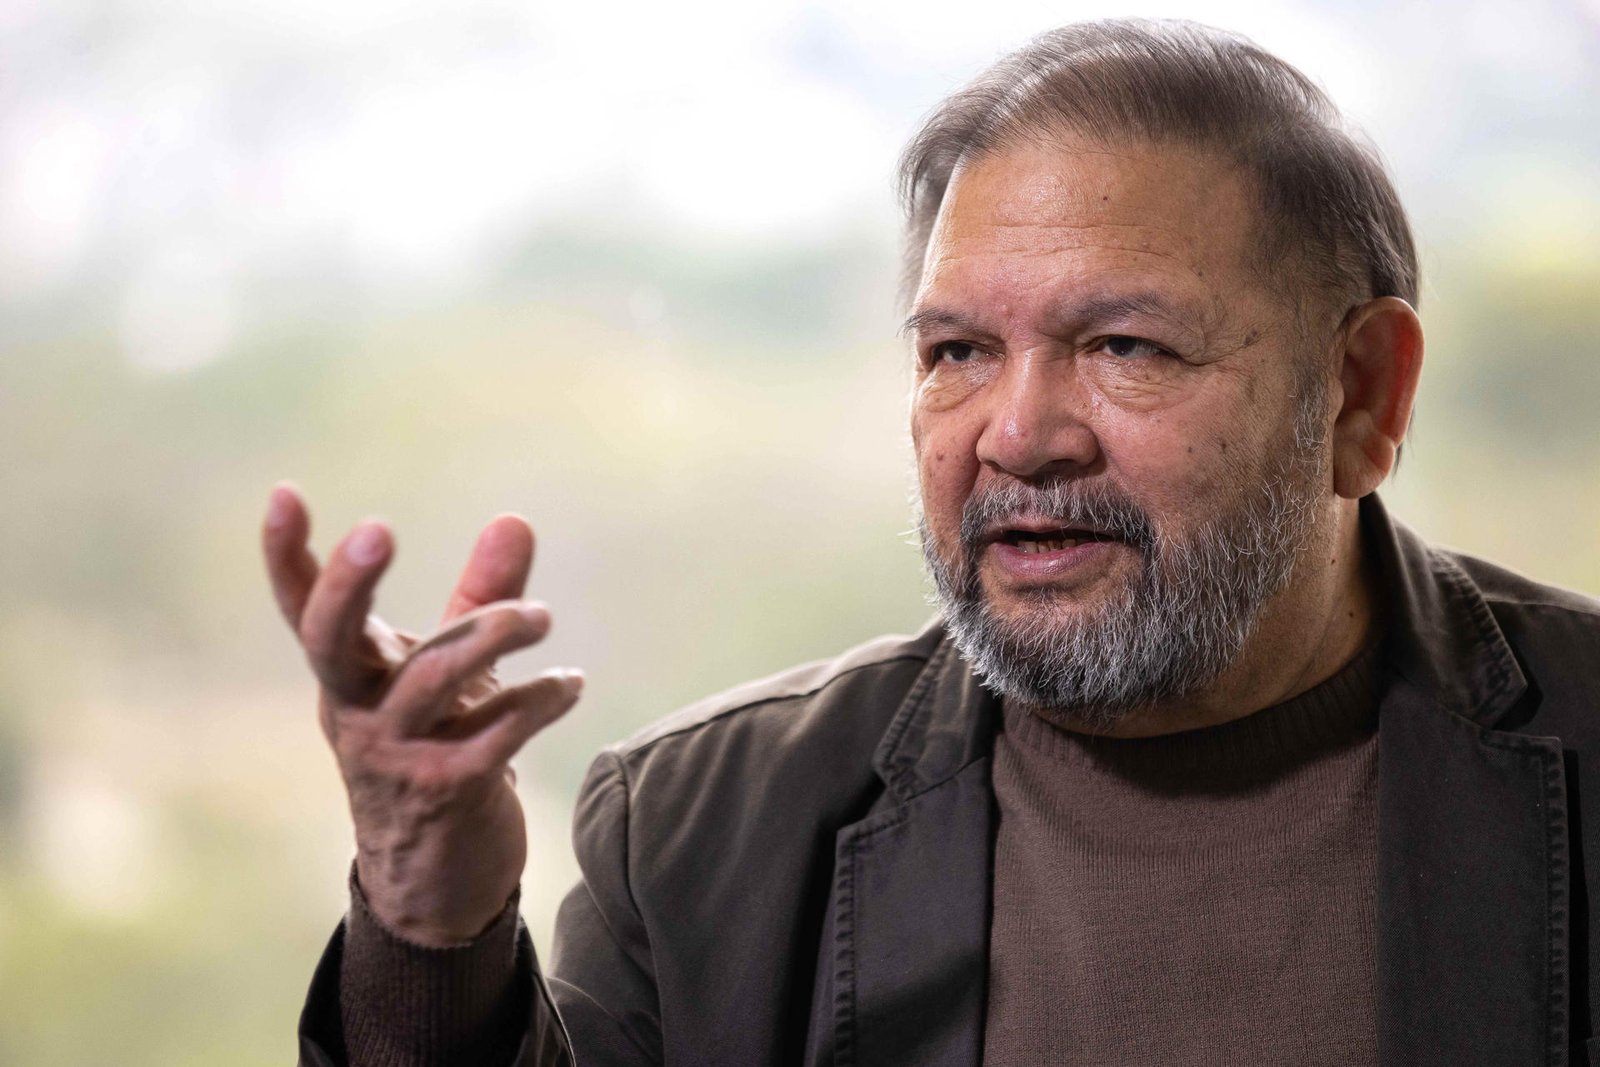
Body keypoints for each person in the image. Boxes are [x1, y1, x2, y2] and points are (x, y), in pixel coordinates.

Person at [267, 18, 1600, 1067]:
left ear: (1361, 396)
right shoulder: (695, 836)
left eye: (1125, 346)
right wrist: (429, 933)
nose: (1017, 436)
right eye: (957, 351)